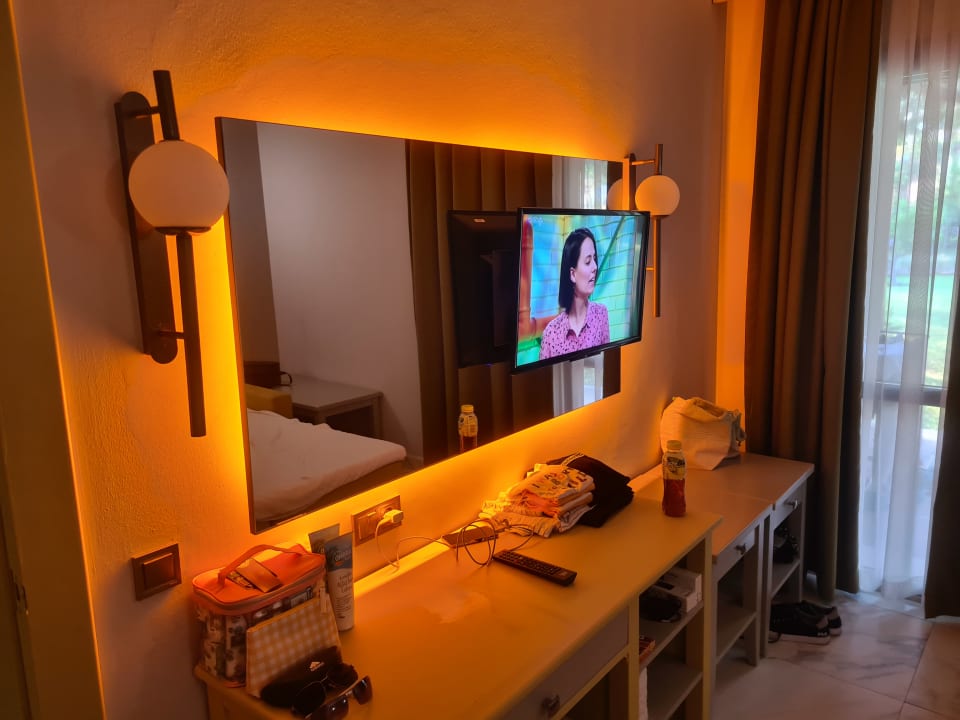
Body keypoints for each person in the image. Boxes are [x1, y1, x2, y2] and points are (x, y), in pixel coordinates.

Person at [539, 227, 610, 360]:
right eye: (588, 261)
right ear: (572, 274)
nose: (595, 267)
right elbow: (544, 373)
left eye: (594, 259)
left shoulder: (601, 314)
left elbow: (606, 362)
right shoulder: (551, 333)